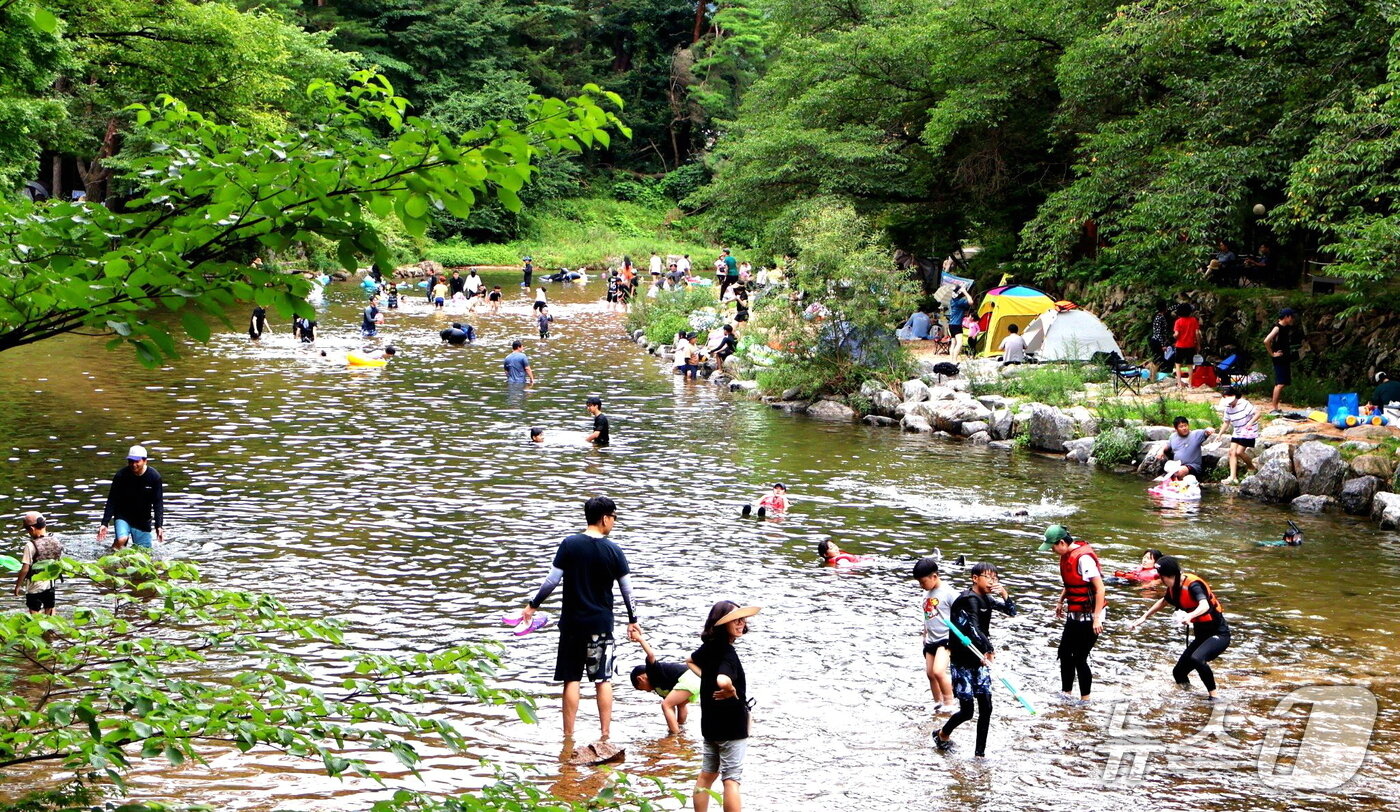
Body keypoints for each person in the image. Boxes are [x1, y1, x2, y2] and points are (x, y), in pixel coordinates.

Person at [520, 496, 640, 743]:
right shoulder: (614, 550)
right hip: (601, 625)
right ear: (604, 518)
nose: (614, 522)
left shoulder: (569, 544)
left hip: (572, 625)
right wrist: (633, 619)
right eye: (614, 517)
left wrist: (533, 605)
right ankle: (605, 735)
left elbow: (552, 581)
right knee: (603, 679)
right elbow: (627, 590)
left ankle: (568, 736)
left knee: (571, 679)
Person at [933, 562, 1017, 757]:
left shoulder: (986, 598)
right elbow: (974, 628)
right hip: (962, 660)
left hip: (980, 660)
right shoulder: (968, 599)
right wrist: (989, 649)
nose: (992, 582)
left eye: (995, 578)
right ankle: (942, 734)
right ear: (975, 578)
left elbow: (1011, 612)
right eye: (988, 577)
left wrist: (1004, 594)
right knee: (967, 711)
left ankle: (980, 754)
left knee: (986, 707)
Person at [687, 600, 758, 812]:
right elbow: (723, 679)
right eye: (735, 620)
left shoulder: (708, 647)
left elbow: (689, 661)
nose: (741, 623)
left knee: (707, 775)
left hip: (710, 724)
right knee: (731, 779)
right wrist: (730, 689)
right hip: (731, 725)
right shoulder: (728, 653)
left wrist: (707, 679)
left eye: (742, 619)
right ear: (721, 623)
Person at [1126, 555, 1230, 699]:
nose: (1161, 581)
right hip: (1202, 636)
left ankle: (1214, 697)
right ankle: (1190, 697)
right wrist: (1143, 617)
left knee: (1197, 658)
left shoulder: (1193, 585)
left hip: (1219, 634)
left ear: (1171, 575)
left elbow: (1204, 605)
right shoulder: (1174, 587)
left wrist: (1189, 616)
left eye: (1162, 577)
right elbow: (1164, 601)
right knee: (1179, 672)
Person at [1039, 525, 1105, 703]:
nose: (1052, 551)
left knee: (1080, 657)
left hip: (1091, 614)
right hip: (1075, 612)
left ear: (1062, 542)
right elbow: (1071, 584)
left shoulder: (1084, 559)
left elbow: (1100, 589)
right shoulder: (1066, 556)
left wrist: (1096, 618)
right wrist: (1060, 601)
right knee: (1065, 652)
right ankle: (1066, 694)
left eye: (1053, 547)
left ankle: (1085, 700)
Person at [628, 627, 700, 735]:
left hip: (689, 678)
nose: (647, 691)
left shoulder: (652, 671)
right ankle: (680, 730)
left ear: (640, 679)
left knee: (665, 705)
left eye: (642, 689)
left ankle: (675, 734)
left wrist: (640, 639)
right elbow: (672, 707)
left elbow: (651, 655)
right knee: (679, 704)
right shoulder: (659, 689)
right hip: (696, 679)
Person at [98, 445, 165, 551]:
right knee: (122, 539)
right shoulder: (121, 476)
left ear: (145, 461)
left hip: (142, 520)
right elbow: (112, 500)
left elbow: (158, 503)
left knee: (143, 552)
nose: (133, 465)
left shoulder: (154, 477)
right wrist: (105, 523)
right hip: (123, 516)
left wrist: (159, 526)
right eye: (131, 461)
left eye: (137, 461)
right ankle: (110, 556)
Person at [914, 557, 958, 714]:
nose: (921, 585)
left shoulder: (949, 592)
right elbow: (927, 615)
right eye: (919, 582)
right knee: (930, 674)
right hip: (931, 638)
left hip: (946, 638)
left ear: (934, 576)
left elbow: (961, 613)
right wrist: (924, 633)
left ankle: (950, 703)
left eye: (923, 582)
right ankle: (938, 703)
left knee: (939, 671)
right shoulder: (926, 593)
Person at [14, 511, 63, 615]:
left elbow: (25, 569)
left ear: (32, 529)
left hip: (34, 586)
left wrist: (18, 586)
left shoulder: (30, 545)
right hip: (50, 583)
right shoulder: (55, 541)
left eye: (27, 530)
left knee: (34, 613)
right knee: (50, 610)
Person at [1218, 386, 1260, 484]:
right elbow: (1226, 422)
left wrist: (1250, 422)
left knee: (1239, 452)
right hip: (1237, 431)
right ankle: (1233, 477)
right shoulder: (1228, 408)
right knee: (1232, 452)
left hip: (1248, 431)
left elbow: (1258, 413)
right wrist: (1219, 434)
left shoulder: (1244, 404)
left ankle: (1251, 467)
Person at [1263, 307, 1297, 413]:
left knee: (1282, 383)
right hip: (1279, 358)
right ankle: (1274, 407)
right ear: (1286, 317)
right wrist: (1272, 354)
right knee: (1280, 383)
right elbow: (1266, 341)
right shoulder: (1277, 328)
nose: (1292, 319)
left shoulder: (1286, 327)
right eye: (1291, 317)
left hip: (1285, 358)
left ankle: (1276, 406)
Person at [1171, 303, 1200, 388]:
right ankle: (1190, 384)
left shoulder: (1178, 321)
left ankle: (1179, 384)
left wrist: (1173, 336)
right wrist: (1198, 344)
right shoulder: (1193, 320)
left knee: (1178, 364)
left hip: (1180, 345)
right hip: (1190, 345)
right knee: (1190, 365)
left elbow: (1176, 334)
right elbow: (1197, 333)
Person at [1146, 301, 1172, 380]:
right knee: (1157, 360)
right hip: (1157, 341)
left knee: (1157, 359)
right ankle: (1152, 377)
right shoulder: (1160, 317)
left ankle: (1152, 376)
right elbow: (1159, 333)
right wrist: (1162, 345)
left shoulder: (1158, 316)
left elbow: (1171, 308)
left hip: (1156, 340)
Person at [947, 286, 971, 360]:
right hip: (957, 325)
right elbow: (971, 302)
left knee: (953, 343)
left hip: (951, 324)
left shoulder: (952, 301)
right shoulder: (960, 302)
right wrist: (965, 292)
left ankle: (951, 360)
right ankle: (954, 360)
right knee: (960, 343)